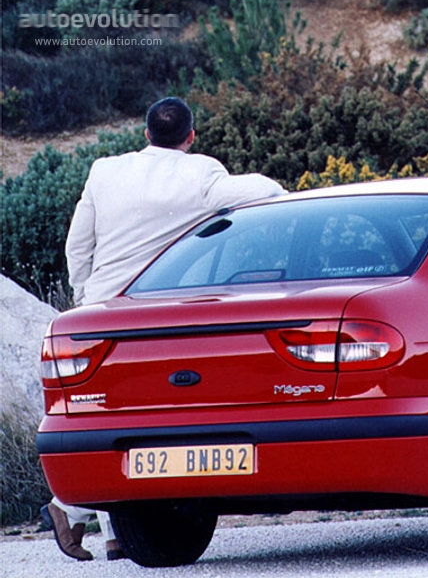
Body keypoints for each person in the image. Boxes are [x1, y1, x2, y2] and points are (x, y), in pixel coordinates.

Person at [43, 96, 286, 562]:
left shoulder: (104, 170)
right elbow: (264, 192)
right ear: (191, 137)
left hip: (100, 309)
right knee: (144, 415)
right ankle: (70, 508)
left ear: (145, 134)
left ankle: (113, 531)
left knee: (105, 417)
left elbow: (79, 243)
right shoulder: (201, 174)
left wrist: (82, 299)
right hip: (158, 312)